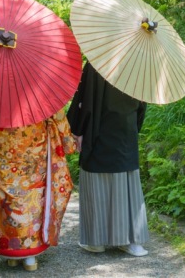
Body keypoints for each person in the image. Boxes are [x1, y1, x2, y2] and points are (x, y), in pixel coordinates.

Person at [0, 108, 77, 271]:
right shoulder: (40, 88)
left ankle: (10, 251)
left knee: (4, 197)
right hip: (33, 145)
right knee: (32, 195)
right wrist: (67, 142)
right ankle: (30, 256)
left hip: (1, 146)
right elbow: (57, 114)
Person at [66, 62, 150, 257]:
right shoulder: (137, 63)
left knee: (97, 182)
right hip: (125, 131)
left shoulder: (97, 62)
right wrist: (134, 127)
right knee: (126, 184)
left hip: (97, 130)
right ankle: (132, 241)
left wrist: (77, 129)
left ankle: (96, 242)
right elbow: (142, 104)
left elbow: (84, 102)